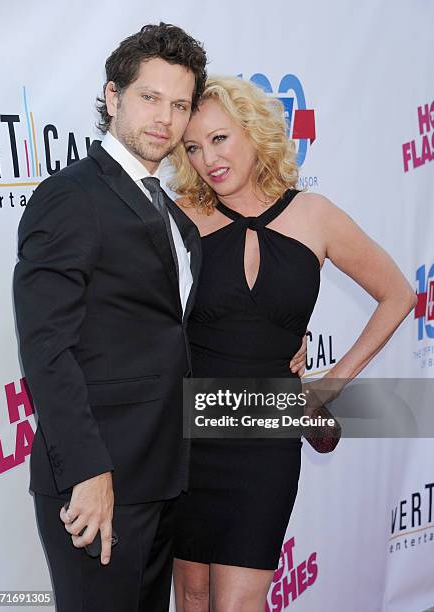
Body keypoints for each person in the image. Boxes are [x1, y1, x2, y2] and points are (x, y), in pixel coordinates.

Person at [168, 76, 417, 612]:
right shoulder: (184, 220)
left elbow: (398, 293)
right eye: (192, 147)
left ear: (254, 134)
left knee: (235, 605)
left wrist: (329, 384)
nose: (207, 157)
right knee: (192, 598)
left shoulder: (316, 215)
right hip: (189, 433)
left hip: (267, 436)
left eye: (219, 138)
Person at [12, 23, 207, 612]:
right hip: (101, 482)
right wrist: (89, 473)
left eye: (179, 105)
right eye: (150, 98)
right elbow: (47, 346)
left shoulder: (169, 210)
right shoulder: (72, 195)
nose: (165, 119)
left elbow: (166, 328)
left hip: (162, 474)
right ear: (112, 96)